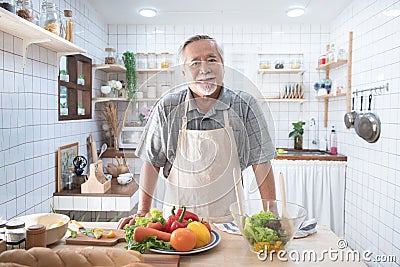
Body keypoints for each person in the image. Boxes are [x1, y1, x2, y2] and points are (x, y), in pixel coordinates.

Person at [117, 34, 276, 229]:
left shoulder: (244, 105)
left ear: (223, 66)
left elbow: (261, 163)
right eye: (194, 63)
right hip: (176, 226)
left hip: (230, 223)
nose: (204, 69)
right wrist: (142, 212)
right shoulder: (167, 107)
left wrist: (271, 214)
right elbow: (151, 163)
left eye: (211, 60)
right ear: (183, 72)